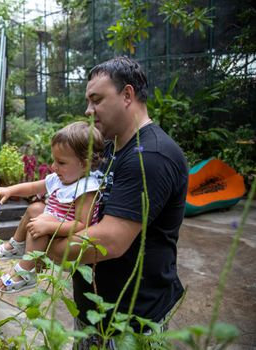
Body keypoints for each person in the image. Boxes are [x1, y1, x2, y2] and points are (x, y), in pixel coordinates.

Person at [48, 57, 187, 348]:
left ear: (127, 95)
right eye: (88, 101)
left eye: (96, 100)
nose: (88, 111)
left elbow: (109, 241)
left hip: (129, 325)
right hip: (97, 314)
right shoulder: (110, 150)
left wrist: (43, 247)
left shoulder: (150, 157)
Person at [0, 121, 105, 293]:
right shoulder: (59, 179)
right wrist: (9, 190)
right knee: (35, 208)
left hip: (70, 235)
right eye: (54, 160)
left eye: (61, 162)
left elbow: (82, 225)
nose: (53, 166)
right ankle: (17, 245)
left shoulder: (86, 188)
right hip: (53, 223)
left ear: (85, 164)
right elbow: (33, 187)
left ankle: (26, 271)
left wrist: (48, 226)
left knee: (40, 221)